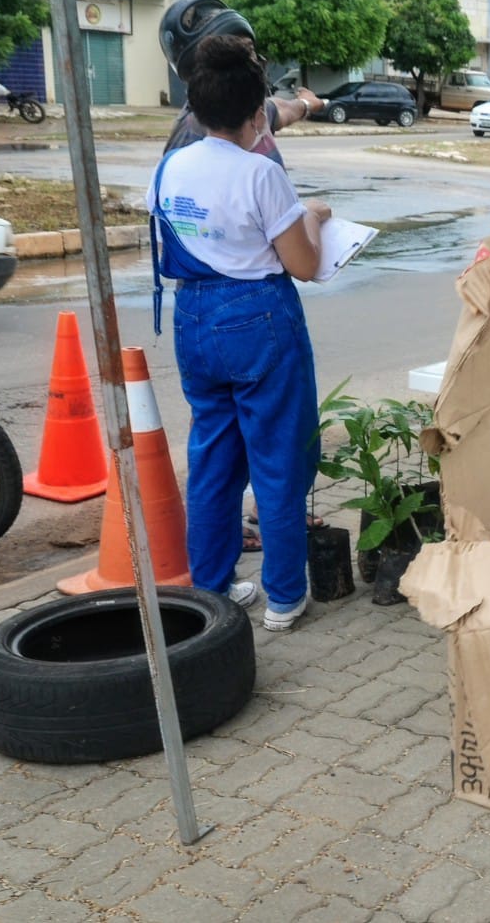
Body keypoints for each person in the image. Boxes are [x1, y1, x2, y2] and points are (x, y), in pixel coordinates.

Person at [147, 34, 329, 633]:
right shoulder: (259, 173)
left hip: (193, 317)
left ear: (195, 111)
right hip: (258, 317)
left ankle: (215, 586)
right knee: (277, 459)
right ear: (257, 116)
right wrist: (314, 220)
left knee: (214, 459)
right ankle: (283, 598)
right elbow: (302, 265)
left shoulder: (171, 165)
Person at [159, 0, 324, 168]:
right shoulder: (190, 135)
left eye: (250, 50)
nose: (251, 63)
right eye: (233, 59)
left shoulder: (252, 107)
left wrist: (307, 103)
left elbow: (283, 109)